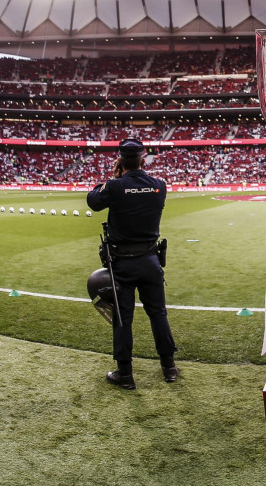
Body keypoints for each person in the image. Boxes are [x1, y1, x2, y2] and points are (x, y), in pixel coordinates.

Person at [86, 139, 177, 388]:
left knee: (123, 318)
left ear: (120, 160)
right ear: (143, 157)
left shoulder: (114, 187)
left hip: (122, 264)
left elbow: (93, 201)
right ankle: (169, 367)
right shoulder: (159, 186)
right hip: (150, 260)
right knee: (158, 313)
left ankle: (125, 374)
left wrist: (113, 180)